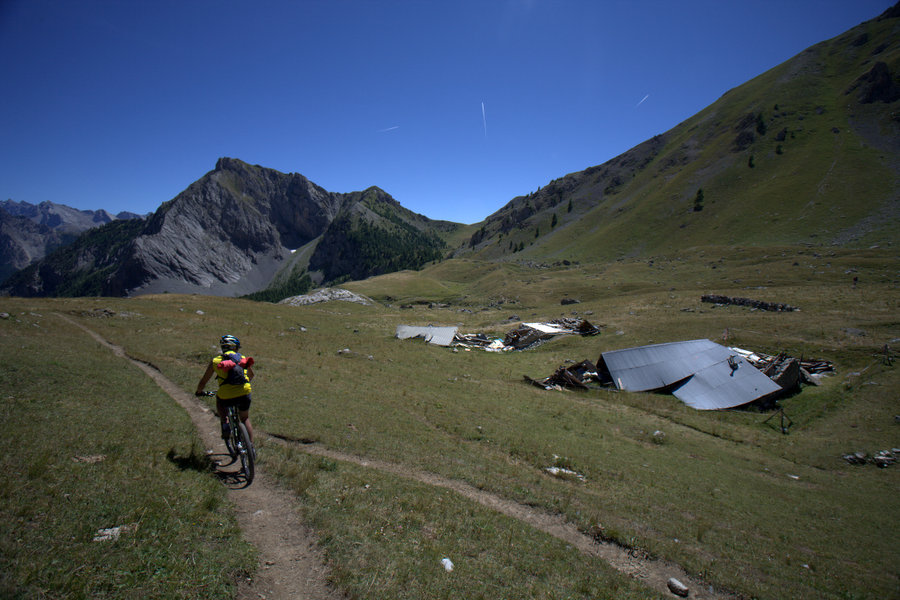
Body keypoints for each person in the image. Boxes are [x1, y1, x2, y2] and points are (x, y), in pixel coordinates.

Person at [195, 334, 255, 444]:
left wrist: (199, 391)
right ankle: (251, 448)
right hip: (244, 392)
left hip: (226, 394)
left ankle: (225, 422)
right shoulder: (242, 358)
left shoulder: (216, 361)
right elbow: (251, 375)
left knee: (220, 401)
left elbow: (204, 380)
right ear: (235, 348)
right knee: (245, 418)